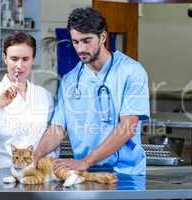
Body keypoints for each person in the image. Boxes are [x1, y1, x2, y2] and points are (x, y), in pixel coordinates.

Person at [33, 8, 150, 175]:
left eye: (86, 40)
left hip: (125, 173)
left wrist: (86, 161)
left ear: (102, 37)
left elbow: (127, 127)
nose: (80, 48)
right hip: (84, 173)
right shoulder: (69, 80)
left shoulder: (131, 71)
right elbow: (57, 128)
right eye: (75, 41)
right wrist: (35, 155)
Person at [0, 31, 54, 168]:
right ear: (5, 58)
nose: (19, 65)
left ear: (33, 60)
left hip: (34, 175)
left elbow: (51, 139)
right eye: (14, 58)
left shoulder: (44, 96)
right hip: (0, 175)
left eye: (25, 59)